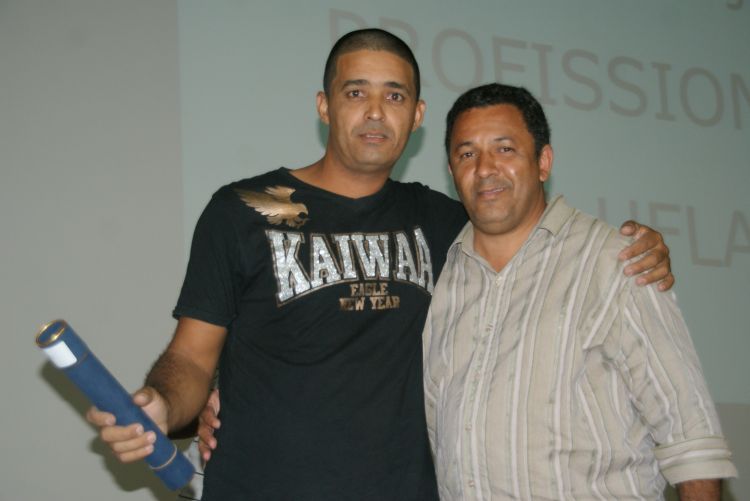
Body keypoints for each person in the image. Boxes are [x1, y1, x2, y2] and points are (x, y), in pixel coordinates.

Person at [87, 30, 673, 500]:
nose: (374, 112)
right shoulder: (243, 209)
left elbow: (545, 240)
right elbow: (192, 358)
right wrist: (165, 404)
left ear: (417, 116)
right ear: (324, 106)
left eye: (394, 96)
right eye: (355, 93)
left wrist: (634, 244)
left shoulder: (445, 221)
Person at [422, 83, 736, 500]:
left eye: (505, 149)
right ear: (451, 171)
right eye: (467, 154)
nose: (484, 168)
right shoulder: (442, 279)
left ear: (543, 162)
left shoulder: (617, 262)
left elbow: (691, 439)